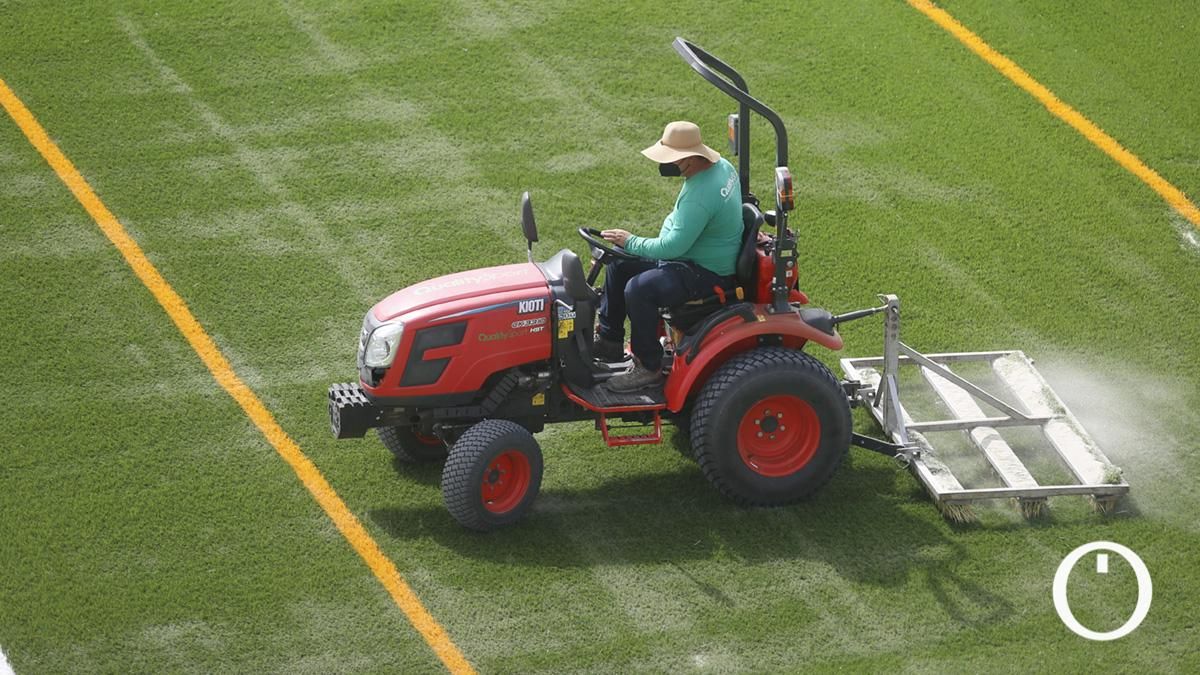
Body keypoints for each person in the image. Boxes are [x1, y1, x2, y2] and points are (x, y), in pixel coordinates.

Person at [596, 121, 744, 392]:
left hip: (705, 272)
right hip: (694, 255)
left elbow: (672, 248)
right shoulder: (722, 167)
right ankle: (609, 341)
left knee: (639, 289)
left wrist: (631, 241)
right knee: (618, 262)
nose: (669, 164)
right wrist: (628, 248)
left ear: (689, 158)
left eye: (673, 158)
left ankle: (648, 366)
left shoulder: (700, 195)